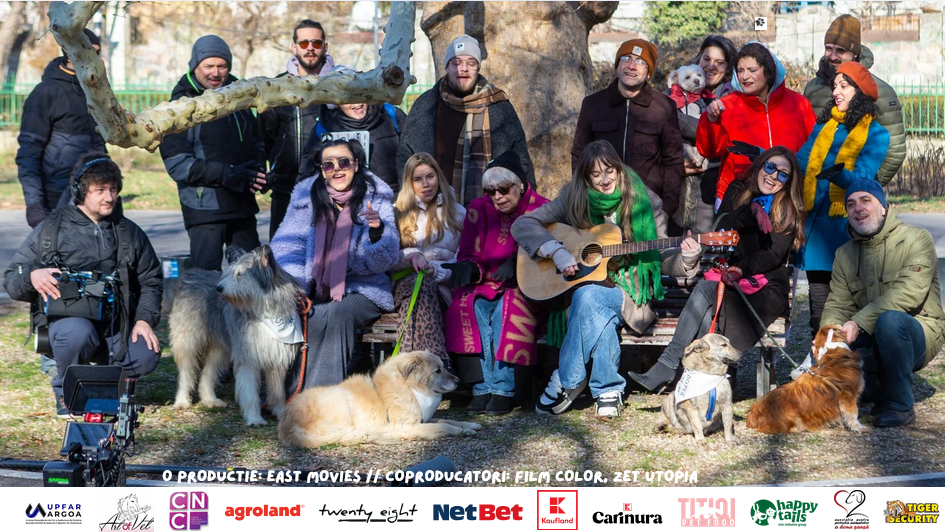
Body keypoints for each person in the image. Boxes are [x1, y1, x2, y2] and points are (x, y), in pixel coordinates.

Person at [512, 140, 702, 419]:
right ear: (586, 177)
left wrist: (687, 258)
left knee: (588, 297)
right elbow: (523, 224)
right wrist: (558, 252)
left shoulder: (644, 201)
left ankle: (566, 380)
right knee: (592, 301)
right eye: (595, 174)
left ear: (619, 169)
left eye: (610, 171)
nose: (604, 180)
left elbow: (660, 252)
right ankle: (607, 389)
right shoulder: (573, 196)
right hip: (579, 293)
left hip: (630, 293)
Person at [629, 146, 807, 392]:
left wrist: (741, 269)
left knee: (708, 295)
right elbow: (721, 227)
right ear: (760, 166)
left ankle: (674, 368)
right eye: (770, 167)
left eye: (783, 174)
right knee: (708, 296)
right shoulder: (737, 190)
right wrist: (748, 211)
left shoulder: (786, 207)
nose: (774, 176)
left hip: (764, 286)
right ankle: (706, 382)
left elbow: (773, 255)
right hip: (730, 275)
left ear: (788, 181)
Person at [4, 154, 162, 417]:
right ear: (79, 192)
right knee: (76, 334)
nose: (109, 197)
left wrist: (144, 319)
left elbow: (151, 280)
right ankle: (66, 389)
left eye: (113, 189)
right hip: (70, 325)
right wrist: (32, 276)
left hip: (117, 325)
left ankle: (108, 386)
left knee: (145, 354)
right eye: (99, 190)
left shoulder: (128, 232)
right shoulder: (51, 229)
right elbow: (11, 279)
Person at [271, 139, 399, 390]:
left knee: (337, 314)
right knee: (314, 315)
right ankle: (297, 394)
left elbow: (387, 258)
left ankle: (323, 399)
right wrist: (297, 284)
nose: (337, 169)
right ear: (321, 170)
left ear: (356, 164)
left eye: (344, 162)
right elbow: (286, 247)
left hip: (365, 286)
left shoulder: (376, 197)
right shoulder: (307, 198)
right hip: (316, 286)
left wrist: (377, 233)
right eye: (328, 165)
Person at [821, 181, 945, 428]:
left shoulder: (916, 239)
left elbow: (909, 293)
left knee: (890, 320)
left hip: (917, 330)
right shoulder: (844, 254)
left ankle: (899, 406)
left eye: (866, 200)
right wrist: (828, 335)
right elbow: (838, 303)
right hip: (871, 334)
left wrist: (858, 321)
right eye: (851, 204)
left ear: (884, 206)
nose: (858, 208)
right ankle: (877, 389)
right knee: (835, 388)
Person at [443, 152, 548, 416]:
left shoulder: (541, 207)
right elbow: (469, 251)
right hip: (485, 281)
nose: (498, 197)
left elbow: (550, 248)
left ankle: (504, 389)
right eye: (491, 191)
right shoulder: (478, 209)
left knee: (507, 309)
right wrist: (469, 266)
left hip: (525, 284)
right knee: (466, 306)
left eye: (504, 189)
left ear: (520, 185)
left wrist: (517, 262)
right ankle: (482, 388)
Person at [795, 62, 890, 335]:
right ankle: (820, 360)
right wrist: (771, 159)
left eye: (844, 86)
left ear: (859, 91)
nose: (836, 91)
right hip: (816, 227)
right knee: (818, 303)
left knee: (847, 305)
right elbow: (800, 160)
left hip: (846, 229)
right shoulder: (825, 125)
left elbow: (863, 180)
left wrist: (837, 175)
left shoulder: (877, 134)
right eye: (835, 86)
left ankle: (848, 364)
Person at [160, 35, 268, 271]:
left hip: (241, 204)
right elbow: (178, 164)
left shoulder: (239, 97)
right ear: (195, 66)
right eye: (209, 66)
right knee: (205, 281)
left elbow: (257, 140)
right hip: (204, 209)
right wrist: (229, 173)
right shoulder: (179, 106)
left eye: (222, 66)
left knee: (252, 277)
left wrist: (258, 169)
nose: (216, 73)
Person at [396, 35, 535, 205]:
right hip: (435, 211)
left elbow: (521, 162)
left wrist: (528, 204)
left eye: (471, 63)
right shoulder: (425, 105)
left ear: (478, 68)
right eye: (456, 63)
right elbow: (406, 159)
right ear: (446, 67)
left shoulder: (498, 106)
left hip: (491, 212)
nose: (463, 69)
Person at [572, 39, 685, 219]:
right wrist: (584, 198)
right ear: (617, 66)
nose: (632, 66)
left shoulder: (664, 107)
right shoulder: (593, 104)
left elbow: (673, 161)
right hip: (600, 206)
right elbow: (579, 155)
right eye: (626, 58)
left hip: (647, 208)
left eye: (640, 61)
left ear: (649, 72)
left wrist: (667, 208)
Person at [697, 41, 816, 209]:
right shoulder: (726, 106)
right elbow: (708, 151)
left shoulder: (799, 104)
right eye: (740, 71)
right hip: (738, 195)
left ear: (768, 72)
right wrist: (711, 121)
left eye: (752, 70)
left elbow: (814, 150)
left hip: (788, 197)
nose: (745, 77)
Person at [16, 29, 106, 229]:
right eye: (90, 51)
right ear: (72, 51)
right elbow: (28, 153)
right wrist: (34, 203)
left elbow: (99, 146)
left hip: (97, 197)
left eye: (98, 53)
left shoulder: (95, 92)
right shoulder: (45, 93)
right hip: (57, 199)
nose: (95, 58)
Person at [803, 14, 905, 185]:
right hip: (813, 191)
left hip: (855, 192)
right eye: (829, 48)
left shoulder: (880, 92)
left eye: (841, 50)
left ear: (855, 54)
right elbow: (806, 140)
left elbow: (895, 151)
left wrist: (867, 187)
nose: (833, 56)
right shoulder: (813, 87)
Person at [258, 19, 334, 240]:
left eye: (316, 43)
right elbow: (264, 137)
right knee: (282, 260)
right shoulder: (277, 89)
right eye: (303, 43)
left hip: (331, 191)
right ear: (294, 47)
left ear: (325, 47)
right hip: (286, 190)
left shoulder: (340, 84)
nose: (310, 48)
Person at [391, 153, 466, 372]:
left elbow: (462, 258)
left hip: (444, 285)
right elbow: (386, 260)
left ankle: (408, 371)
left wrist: (436, 270)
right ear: (409, 183)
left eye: (430, 176)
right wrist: (411, 255)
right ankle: (440, 365)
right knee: (421, 286)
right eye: (418, 179)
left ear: (438, 177)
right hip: (403, 284)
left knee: (422, 295)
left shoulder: (457, 212)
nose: (426, 184)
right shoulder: (397, 213)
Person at [299, 65, 407, 193]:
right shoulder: (323, 129)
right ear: (335, 103)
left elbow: (415, 156)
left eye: (360, 95)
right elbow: (306, 177)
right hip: (347, 207)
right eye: (349, 98)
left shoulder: (391, 114)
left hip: (395, 200)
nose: (358, 104)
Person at [673, 35, 738, 233]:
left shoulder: (731, 98)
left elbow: (724, 138)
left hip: (710, 191)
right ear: (698, 59)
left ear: (728, 68)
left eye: (719, 63)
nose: (711, 66)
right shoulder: (676, 92)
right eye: (706, 59)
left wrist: (677, 118)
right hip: (678, 187)